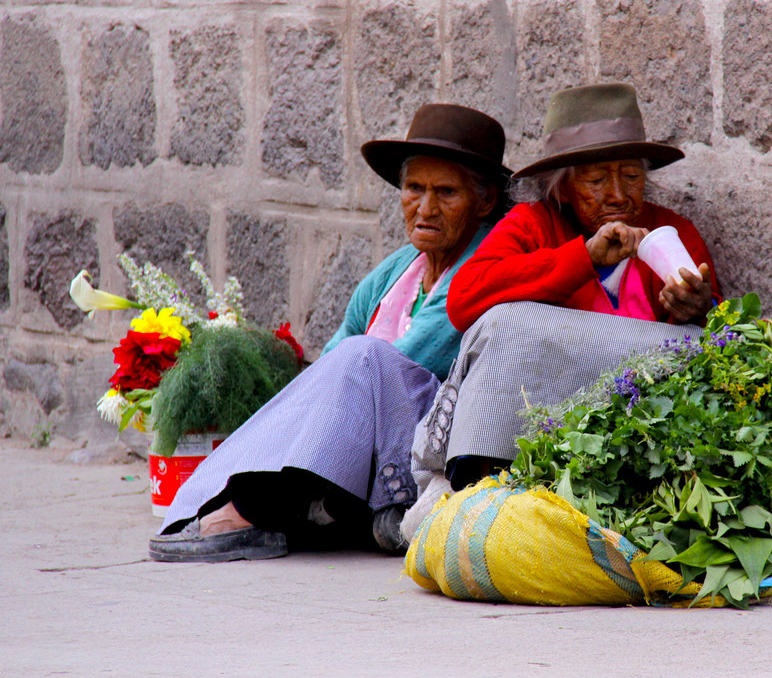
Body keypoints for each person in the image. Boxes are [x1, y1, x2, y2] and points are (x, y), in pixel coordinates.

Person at [149, 103, 510, 562]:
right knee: (346, 364)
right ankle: (291, 503)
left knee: (365, 360)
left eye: (446, 192)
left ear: (484, 202)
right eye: (414, 188)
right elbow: (329, 368)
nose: (426, 207)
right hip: (372, 435)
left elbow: (381, 365)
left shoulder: (484, 267)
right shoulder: (396, 272)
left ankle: (253, 507)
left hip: (429, 445)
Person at [403, 83, 721, 536]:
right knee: (504, 321)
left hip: (637, 429)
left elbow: (720, 337)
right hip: (538, 428)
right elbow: (464, 301)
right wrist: (583, 258)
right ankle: (480, 489)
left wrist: (695, 309)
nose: (617, 194)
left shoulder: (669, 231)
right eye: (596, 180)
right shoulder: (533, 224)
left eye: (630, 176)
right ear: (564, 186)